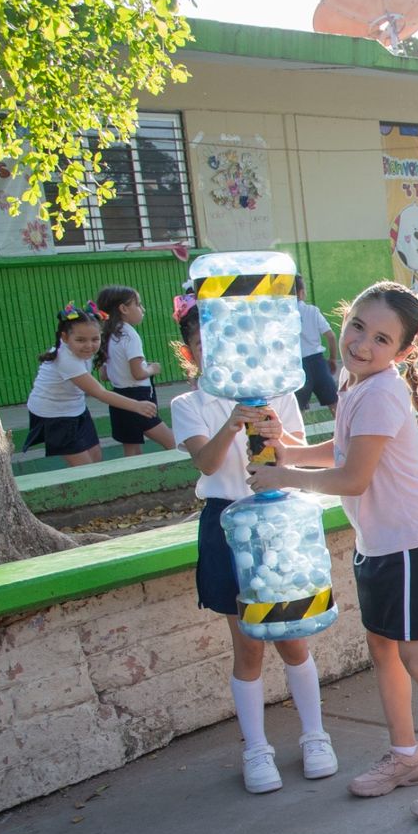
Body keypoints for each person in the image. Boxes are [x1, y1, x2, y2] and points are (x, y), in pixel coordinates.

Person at [251, 282, 418, 822]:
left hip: (411, 543)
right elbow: (345, 448)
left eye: (381, 338)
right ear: (344, 319)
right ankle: (407, 757)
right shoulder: (357, 383)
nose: (363, 343)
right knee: (385, 650)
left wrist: (282, 474)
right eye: (358, 327)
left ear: (403, 351)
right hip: (381, 544)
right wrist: (288, 448)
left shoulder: (383, 390)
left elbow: (353, 476)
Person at [167, 294, 334, 794]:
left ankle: (315, 736)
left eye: (219, 341)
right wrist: (233, 422)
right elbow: (208, 464)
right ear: (191, 352)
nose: (212, 351)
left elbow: (295, 457)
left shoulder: (276, 393)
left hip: (277, 519)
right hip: (226, 524)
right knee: (247, 646)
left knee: (293, 636)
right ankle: (256, 749)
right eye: (200, 343)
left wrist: (274, 430)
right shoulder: (188, 404)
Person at [24, 303, 158, 467]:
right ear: (65, 338)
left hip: (76, 409)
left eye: (95, 339)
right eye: (80, 340)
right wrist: (136, 405)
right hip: (54, 415)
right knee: (85, 468)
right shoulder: (65, 359)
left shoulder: (82, 352)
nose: (89, 345)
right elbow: (99, 392)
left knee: (96, 458)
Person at [95, 285, 175, 456]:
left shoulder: (107, 335)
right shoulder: (130, 335)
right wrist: (152, 369)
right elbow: (138, 373)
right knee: (174, 444)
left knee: (131, 450)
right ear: (123, 309)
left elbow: (104, 375)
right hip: (138, 398)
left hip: (118, 398)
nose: (142, 309)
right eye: (138, 304)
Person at [293, 278, 339, 414]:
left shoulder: (284, 315)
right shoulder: (312, 311)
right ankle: (344, 432)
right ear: (301, 293)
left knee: (297, 409)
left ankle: (298, 434)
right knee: (334, 403)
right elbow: (331, 336)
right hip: (318, 362)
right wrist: (332, 359)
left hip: (298, 365)